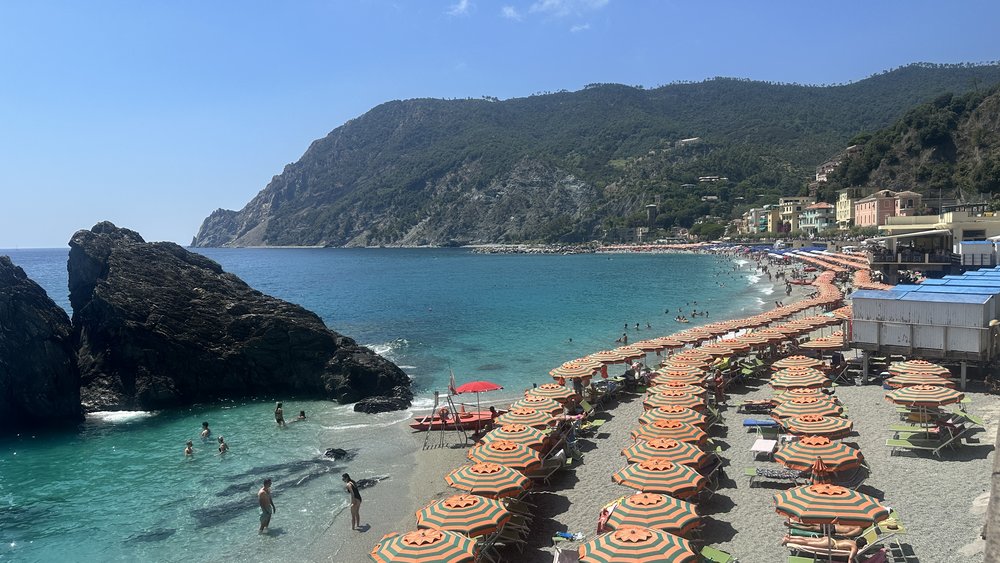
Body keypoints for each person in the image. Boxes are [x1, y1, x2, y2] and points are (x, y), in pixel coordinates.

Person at [780, 535, 864, 559]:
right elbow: (850, 558)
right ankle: (788, 540)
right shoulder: (854, 547)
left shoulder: (852, 541)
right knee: (807, 543)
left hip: (829, 539)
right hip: (830, 544)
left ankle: (790, 537)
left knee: (807, 539)